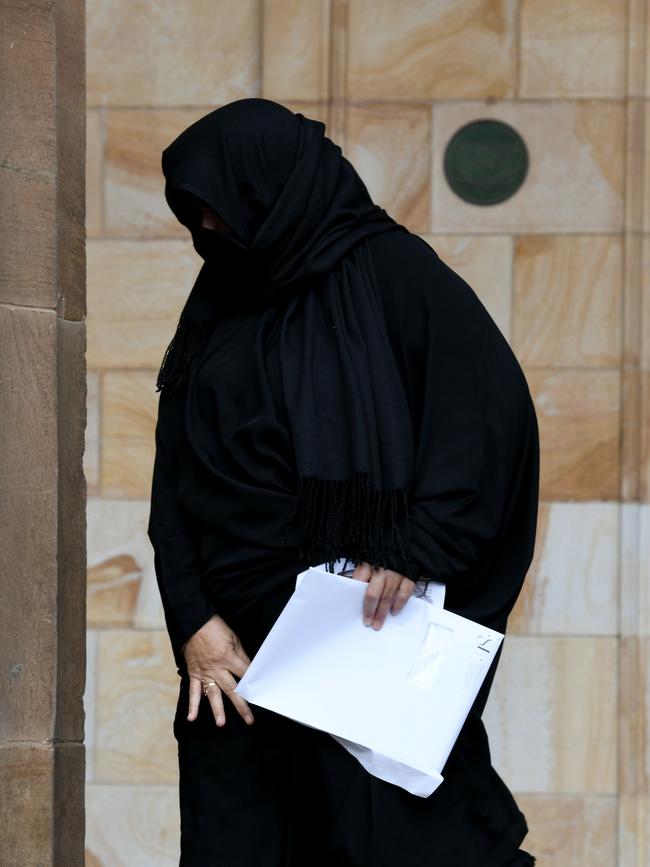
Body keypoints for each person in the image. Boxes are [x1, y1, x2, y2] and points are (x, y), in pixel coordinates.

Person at [146, 97, 539, 867]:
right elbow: (175, 476)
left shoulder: (395, 274)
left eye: (222, 211)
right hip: (234, 663)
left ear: (274, 189)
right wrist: (190, 614)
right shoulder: (218, 299)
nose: (211, 234)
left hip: (360, 639)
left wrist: (416, 546)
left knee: (397, 842)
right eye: (197, 217)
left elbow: (487, 417)